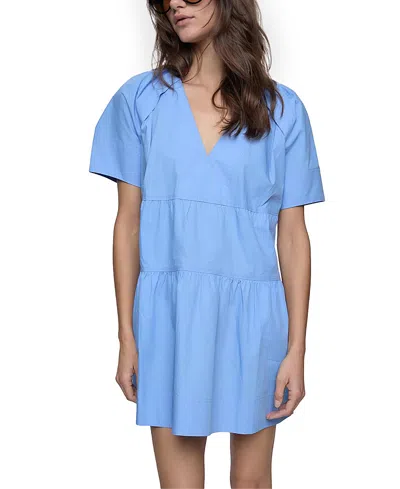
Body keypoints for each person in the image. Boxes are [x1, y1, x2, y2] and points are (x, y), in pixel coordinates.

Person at [89, 0, 325, 487]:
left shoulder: (281, 110)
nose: (175, 3)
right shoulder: (140, 101)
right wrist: (127, 336)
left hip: (254, 319)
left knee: (252, 482)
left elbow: (293, 235)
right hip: (169, 317)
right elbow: (128, 223)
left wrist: (296, 349)